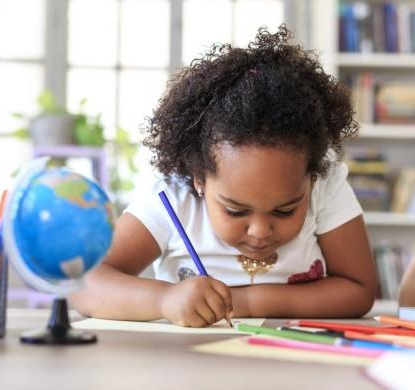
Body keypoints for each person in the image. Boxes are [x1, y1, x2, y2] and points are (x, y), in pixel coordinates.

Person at [71, 25, 377, 327]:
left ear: (312, 178)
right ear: (199, 179)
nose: (259, 231)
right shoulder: (172, 199)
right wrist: (163, 301)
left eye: (285, 210)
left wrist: (247, 301)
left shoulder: (326, 187)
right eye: (235, 210)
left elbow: (359, 289)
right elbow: (85, 284)